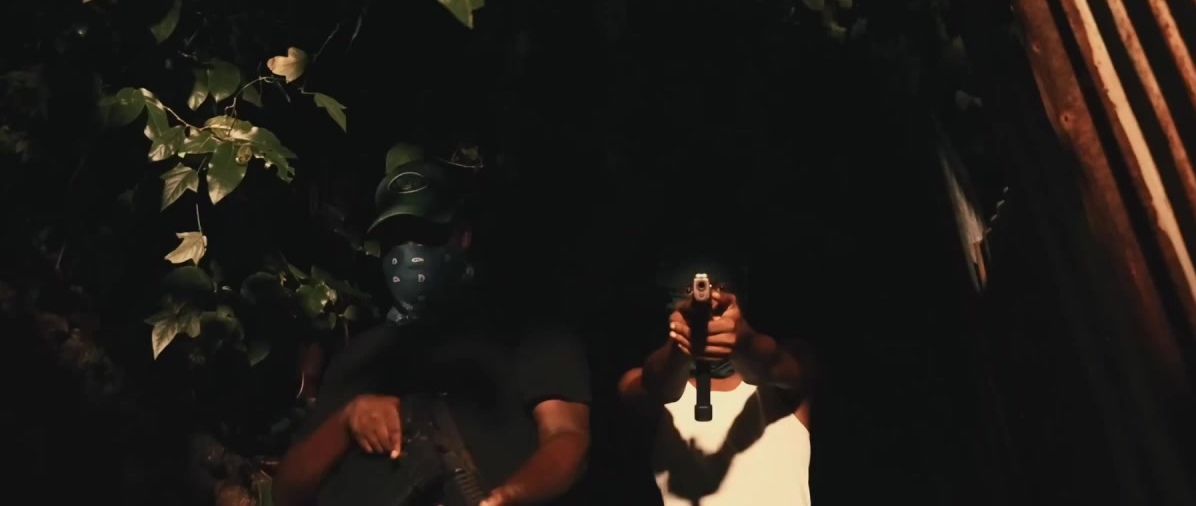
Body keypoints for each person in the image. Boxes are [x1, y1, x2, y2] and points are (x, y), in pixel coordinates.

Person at [272, 156, 592, 506]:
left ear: (462, 236)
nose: (409, 252)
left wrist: (508, 497)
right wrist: (347, 421)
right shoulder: (362, 356)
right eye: (395, 239)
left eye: (425, 234)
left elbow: (567, 438)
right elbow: (287, 490)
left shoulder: (526, 333)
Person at [616, 259, 817, 506]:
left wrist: (742, 340)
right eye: (689, 291)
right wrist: (681, 344)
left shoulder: (787, 374)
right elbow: (655, 387)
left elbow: (773, 364)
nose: (709, 298)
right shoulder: (644, 381)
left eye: (721, 288)